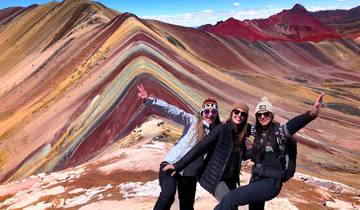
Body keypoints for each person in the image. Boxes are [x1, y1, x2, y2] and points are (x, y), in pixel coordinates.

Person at [211, 94, 324, 210]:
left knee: (231, 198)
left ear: (272, 115)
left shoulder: (279, 133)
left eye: (266, 113)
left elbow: (293, 125)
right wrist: (221, 118)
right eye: (259, 114)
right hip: (256, 179)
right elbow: (240, 124)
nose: (262, 116)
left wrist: (310, 114)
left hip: (271, 182)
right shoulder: (257, 130)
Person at [136, 84, 221, 210]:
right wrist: (150, 100)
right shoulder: (192, 121)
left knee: (187, 207)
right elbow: (173, 111)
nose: (210, 114)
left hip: (189, 174)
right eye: (207, 111)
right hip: (170, 165)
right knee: (167, 196)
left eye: (213, 111)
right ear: (202, 112)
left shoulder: (217, 132)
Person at [163, 102, 250, 201]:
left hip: (230, 179)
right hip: (216, 177)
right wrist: (177, 165)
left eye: (243, 114)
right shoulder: (221, 129)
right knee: (228, 203)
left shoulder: (240, 135)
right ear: (232, 113)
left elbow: (244, 155)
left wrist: (259, 150)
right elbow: (199, 148)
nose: (239, 115)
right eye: (237, 112)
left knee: (231, 205)